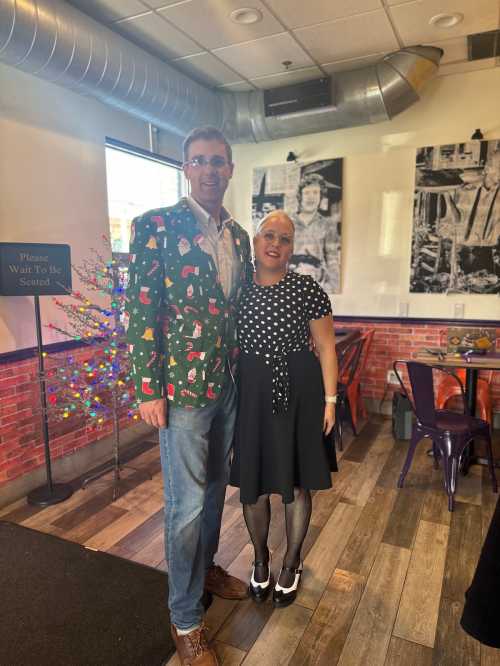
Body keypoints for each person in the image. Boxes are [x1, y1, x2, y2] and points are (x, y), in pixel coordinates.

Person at [126, 126, 253, 666]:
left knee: (216, 489)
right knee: (185, 503)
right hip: (180, 389)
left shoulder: (239, 236)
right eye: (199, 161)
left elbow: (238, 307)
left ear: (230, 170)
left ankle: (204, 571)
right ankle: (184, 618)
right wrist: (148, 387)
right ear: (186, 169)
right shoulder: (156, 226)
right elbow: (141, 310)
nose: (209, 170)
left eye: (217, 162)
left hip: (225, 383)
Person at [229, 210, 338, 608]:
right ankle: (260, 560)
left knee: (295, 482)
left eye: (285, 238)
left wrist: (330, 400)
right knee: (253, 484)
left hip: (301, 389)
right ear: (255, 242)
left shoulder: (307, 288)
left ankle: (292, 562)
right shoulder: (237, 289)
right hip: (252, 390)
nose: (275, 243)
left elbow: (326, 346)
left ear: (292, 249)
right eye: (268, 235)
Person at [290, 173, 340, 293]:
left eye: (315, 192)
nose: (311, 197)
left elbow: (332, 259)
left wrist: (334, 287)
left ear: (321, 197)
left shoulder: (328, 225)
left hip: (317, 283)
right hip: (291, 282)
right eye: (307, 193)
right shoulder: (288, 222)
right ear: (300, 197)